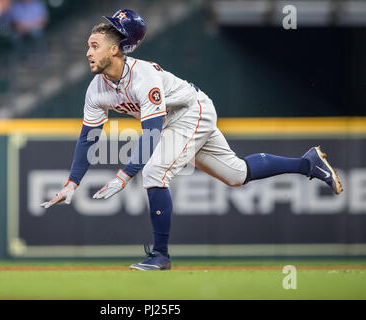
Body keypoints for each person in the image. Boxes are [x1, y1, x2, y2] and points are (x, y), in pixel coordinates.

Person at [40, 9, 343, 270]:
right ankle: (308, 164)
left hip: (190, 111)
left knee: (155, 172)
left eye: (95, 46)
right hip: (176, 119)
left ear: (115, 50)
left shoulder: (143, 78)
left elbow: (152, 133)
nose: (88, 52)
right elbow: (88, 138)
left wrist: (123, 176)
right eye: (88, 46)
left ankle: (161, 256)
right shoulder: (97, 89)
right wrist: (72, 184)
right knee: (237, 174)